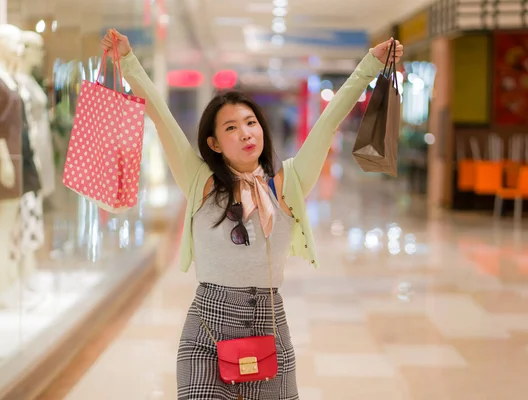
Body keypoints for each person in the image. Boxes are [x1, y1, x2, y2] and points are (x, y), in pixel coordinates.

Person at [101, 29, 403, 400]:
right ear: (213, 143)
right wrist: (128, 62)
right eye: (231, 127)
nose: (245, 133)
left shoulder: (287, 184)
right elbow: (162, 117)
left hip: (270, 330)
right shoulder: (201, 182)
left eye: (250, 123)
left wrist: (370, 64)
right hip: (205, 338)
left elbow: (328, 122)